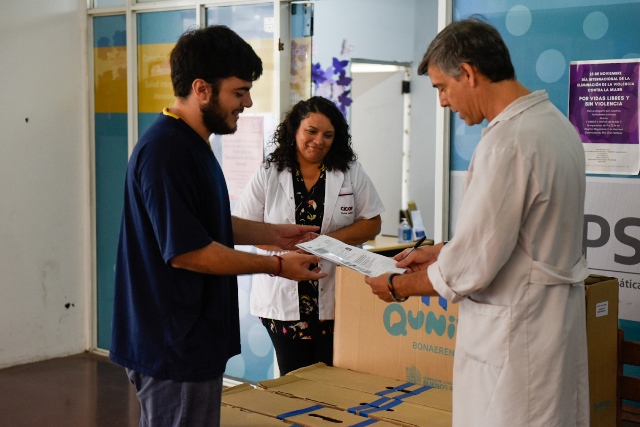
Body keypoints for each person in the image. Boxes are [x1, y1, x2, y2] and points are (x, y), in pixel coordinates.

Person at [365, 18, 589, 427]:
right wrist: (442, 251)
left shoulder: (509, 143)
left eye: (441, 88)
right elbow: (520, 240)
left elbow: (471, 269)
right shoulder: (555, 125)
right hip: (547, 327)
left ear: (467, 73)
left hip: (517, 337)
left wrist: (396, 286)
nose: (443, 103)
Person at [109, 25, 327, 427]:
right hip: (174, 346)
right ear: (202, 89)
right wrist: (277, 265)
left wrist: (275, 234)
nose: (246, 102)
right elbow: (189, 252)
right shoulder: (166, 152)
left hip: (188, 341)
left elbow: (201, 223)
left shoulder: (191, 143)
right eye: (239, 91)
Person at [233, 96, 384, 375]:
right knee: (294, 379)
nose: (319, 141)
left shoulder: (350, 171)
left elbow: (372, 223)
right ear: (294, 131)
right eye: (311, 132)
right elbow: (245, 227)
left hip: (338, 298)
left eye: (328, 135)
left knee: (336, 379)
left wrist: (323, 246)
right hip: (282, 298)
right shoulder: (270, 172)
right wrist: (293, 249)